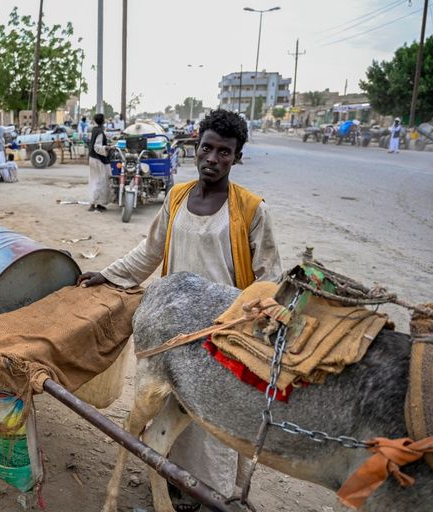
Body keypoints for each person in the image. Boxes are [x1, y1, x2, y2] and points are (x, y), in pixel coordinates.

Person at [78, 109, 282, 506]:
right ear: (195, 149)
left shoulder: (252, 209)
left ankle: (212, 494)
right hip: (175, 328)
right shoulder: (176, 198)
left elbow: (269, 278)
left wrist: (239, 320)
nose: (213, 158)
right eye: (207, 148)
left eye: (225, 152)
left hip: (222, 335)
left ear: (236, 158)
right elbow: (149, 251)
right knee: (170, 413)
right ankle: (173, 482)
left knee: (213, 423)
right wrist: (107, 273)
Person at [87, 113, 112, 212]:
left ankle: (98, 203)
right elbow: (97, 147)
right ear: (103, 121)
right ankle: (94, 204)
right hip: (98, 160)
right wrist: (107, 148)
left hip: (93, 158)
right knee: (100, 182)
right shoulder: (100, 132)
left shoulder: (94, 130)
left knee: (95, 181)